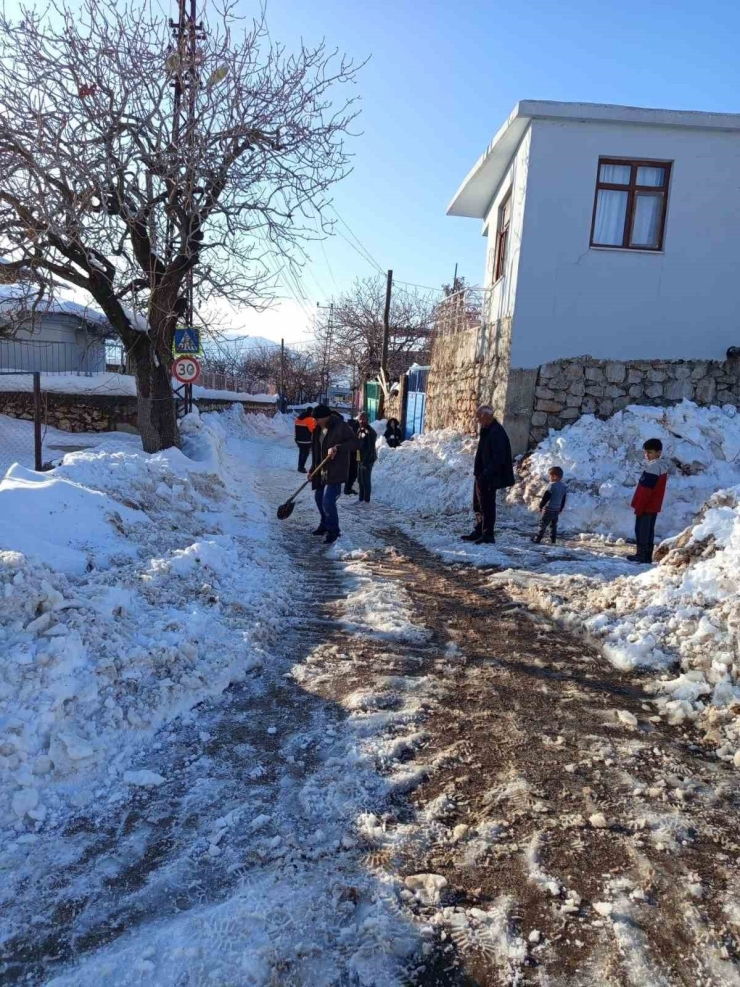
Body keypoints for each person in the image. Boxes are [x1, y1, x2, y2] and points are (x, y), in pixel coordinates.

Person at [461, 405, 515, 545]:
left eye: (479, 418)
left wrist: (486, 473)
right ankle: (479, 530)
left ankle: (488, 534)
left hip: (490, 476)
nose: (478, 421)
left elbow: (499, 458)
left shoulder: (497, 432)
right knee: (478, 504)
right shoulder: (487, 429)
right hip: (481, 474)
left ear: (487, 416)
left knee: (487, 506)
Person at [308, 405, 360, 545]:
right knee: (319, 498)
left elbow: (355, 443)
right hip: (321, 470)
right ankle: (324, 524)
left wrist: (338, 448)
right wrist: (312, 469)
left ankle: (334, 531)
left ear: (326, 417)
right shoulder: (318, 429)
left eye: (317, 419)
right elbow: (317, 452)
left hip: (335, 470)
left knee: (328, 501)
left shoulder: (341, 426)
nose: (315, 421)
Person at [629, 438, 669, 564]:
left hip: (646, 505)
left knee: (641, 530)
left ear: (658, 452)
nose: (647, 455)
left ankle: (641, 555)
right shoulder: (662, 466)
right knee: (649, 530)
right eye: (645, 452)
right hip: (653, 505)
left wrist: (640, 506)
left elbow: (646, 490)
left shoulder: (653, 467)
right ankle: (646, 555)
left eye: (650, 452)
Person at [532, 466, 567, 544]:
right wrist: (561, 508)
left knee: (542, 524)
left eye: (549, 476)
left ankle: (537, 539)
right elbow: (563, 499)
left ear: (554, 477)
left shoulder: (551, 485)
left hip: (548, 510)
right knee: (553, 526)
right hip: (556, 510)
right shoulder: (563, 487)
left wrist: (541, 506)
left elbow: (546, 497)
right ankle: (553, 540)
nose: (549, 478)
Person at [356, 412, 377, 503]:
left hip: (367, 459)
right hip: (360, 458)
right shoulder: (360, 430)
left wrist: (365, 462)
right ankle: (360, 499)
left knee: (365, 480)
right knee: (360, 480)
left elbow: (370, 449)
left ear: (367, 420)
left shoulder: (371, 432)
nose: (361, 421)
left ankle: (366, 500)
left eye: (363, 419)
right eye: (359, 419)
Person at [294, 407, 315, 473]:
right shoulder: (309, 419)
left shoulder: (298, 418)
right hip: (306, 440)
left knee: (301, 453)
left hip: (299, 439)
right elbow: (313, 430)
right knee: (305, 454)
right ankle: (301, 468)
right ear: (311, 412)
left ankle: (299, 467)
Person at [344, 416, 360, 495]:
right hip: (352, 454)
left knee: (351, 472)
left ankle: (347, 487)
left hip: (351, 454)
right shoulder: (354, 431)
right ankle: (347, 488)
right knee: (353, 472)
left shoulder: (346, 430)